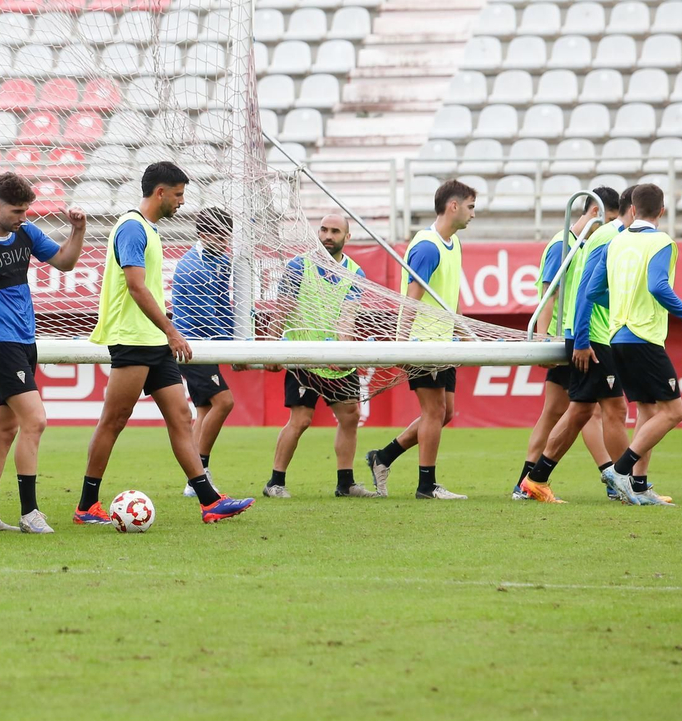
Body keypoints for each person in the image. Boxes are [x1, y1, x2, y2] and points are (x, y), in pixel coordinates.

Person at [76, 162, 253, 526]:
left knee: (182, 416)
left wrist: (164, 334)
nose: (182, 202)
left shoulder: (149, 230)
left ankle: (209, 500)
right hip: (133, 338)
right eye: (178, 194)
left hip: (153, 340)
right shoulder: (131, 228)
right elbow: (136, 287)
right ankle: (86, 505)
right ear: (160, 193)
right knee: (114, 421)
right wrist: (172, 331)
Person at [0, 172, 86, 534]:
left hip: (24, 342)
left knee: (3, 431)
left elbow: (64, 262)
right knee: (36, 421)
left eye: (26, 210)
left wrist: (77, 231)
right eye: (17, 211)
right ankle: (30, 512)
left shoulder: (27, 233)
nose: (22, 216)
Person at [571, 183, 682, 506]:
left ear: (632, 209)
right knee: (674, 412)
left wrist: (621, 305)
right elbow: (658, 286)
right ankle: (621, 470)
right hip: (644, 336)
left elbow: (592, 292)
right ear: (661, 210)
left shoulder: (617, 242)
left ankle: (640, 486)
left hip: (617, 336)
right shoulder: (662, 241)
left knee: (648, 409)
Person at [366, 178, 475, 500]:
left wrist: (462, 334)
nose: (473, 214)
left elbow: (447, 300)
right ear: (453, 206)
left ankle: (382, 457)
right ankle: (426, 486)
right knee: (433, 412)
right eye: (470, 207)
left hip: (443, 341)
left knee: (446, 413)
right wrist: (402, 342)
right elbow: (410, 300)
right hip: (423, 341)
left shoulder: (453, 244)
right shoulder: (427, 246)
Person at [515, 186, 622, 502]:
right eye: (610, 220)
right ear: (593, 213)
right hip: (569, 337)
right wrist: (545, 336)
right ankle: (613, 477)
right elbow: (550, 291)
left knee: (566, 412)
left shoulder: (584, 244)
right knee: (581, 411)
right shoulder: (563, 245)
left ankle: (526, 483)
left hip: (572, 335)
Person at [263, 214, 378, 498]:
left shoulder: (355, 273)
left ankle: (345, 484)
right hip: (304, 356)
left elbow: (347, 320)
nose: (327, 235)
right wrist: (269, 346)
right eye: (324, 230)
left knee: (351, 415)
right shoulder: (298, 266)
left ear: (346, 237)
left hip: (336, 360)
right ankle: (275, 483)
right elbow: (282, 310)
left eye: (335, 231)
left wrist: (342, 351)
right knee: (301, 419)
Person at [171, 207, 236, 498]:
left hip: (206, 344)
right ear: (204, 234)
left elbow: (224, 307)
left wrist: (237, 341)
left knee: (206, 409)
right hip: (192, 346)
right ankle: (202, 473)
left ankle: (193, 482)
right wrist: (237, 349)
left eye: (227, 235)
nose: (224, 240)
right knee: (224, 402)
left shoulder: (220, 260)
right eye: (219, 234)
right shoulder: (194, 267)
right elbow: (207, 316)